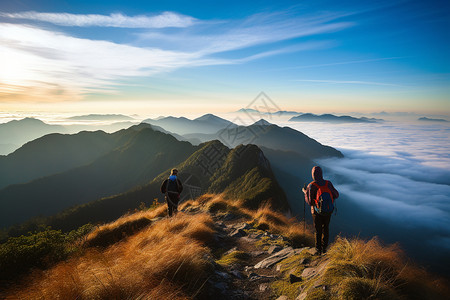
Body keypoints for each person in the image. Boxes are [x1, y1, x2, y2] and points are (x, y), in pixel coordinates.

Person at [302, 166, 339, 255]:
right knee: (326, 229)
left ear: (313, 174)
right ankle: (325, 249)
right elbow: (336, 195)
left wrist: (305, 193)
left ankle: (318, 250)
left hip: (316, 212)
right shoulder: (328, 183)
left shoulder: (311, 186)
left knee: (318, 230)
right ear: (321, 173)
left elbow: (310, 202)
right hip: (328, 211)